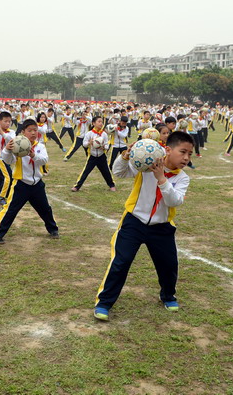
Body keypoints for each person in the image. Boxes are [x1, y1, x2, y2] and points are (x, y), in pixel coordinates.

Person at [94, 131, 194, 320]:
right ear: (168, 150)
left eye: (189, 154)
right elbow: (119, 172)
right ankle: (104, 302)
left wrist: (161, 178)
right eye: (182, 152)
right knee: (120, 262)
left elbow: (174, 201)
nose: (186, 158)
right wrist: (125, 157)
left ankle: (168, 296)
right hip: (134, 222)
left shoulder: (182, 178)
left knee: (169, 265)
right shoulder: (147, 164)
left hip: (162, 227)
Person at [0, 119, 59, 244]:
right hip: (21, 185)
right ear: (23, 132)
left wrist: (33, 156)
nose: (33, 133)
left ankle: (53, 229)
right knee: (10, 210)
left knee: (45, 209)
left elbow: (44, 160)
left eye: (35, 130)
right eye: (30, 130)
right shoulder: (17, 145)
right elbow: (8, 161)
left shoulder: (40, 146)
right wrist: (6, 150)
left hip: (37, 184)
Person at [71, 116, 115, 192]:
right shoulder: (89, 133)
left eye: (102, 122)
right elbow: (84, 144)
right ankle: (77, 186)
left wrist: (104, 147)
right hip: (92, 156)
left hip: (101, 156)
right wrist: (90, 143)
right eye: (99, 121)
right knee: (85, 172)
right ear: (93, 123)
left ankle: (111, 185)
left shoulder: (104, 134)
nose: (101, 123)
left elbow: (107, 146)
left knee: (106, 172)